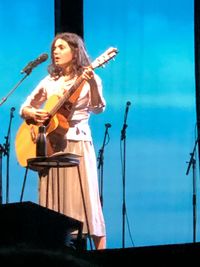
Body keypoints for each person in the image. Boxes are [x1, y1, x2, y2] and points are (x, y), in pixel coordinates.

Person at [19, 32, 106, 250]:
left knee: (85, 198)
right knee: (54, 201)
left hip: (77, 141)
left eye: (61, 48)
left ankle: (103, 253)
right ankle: (54, 250)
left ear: (75, 51)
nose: (55, 52)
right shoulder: (50, 80)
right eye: (54, 48)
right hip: (50, 146)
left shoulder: (89, 78)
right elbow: (25, 107)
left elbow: (98, 108)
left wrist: (92, 83)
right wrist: (33, 114)